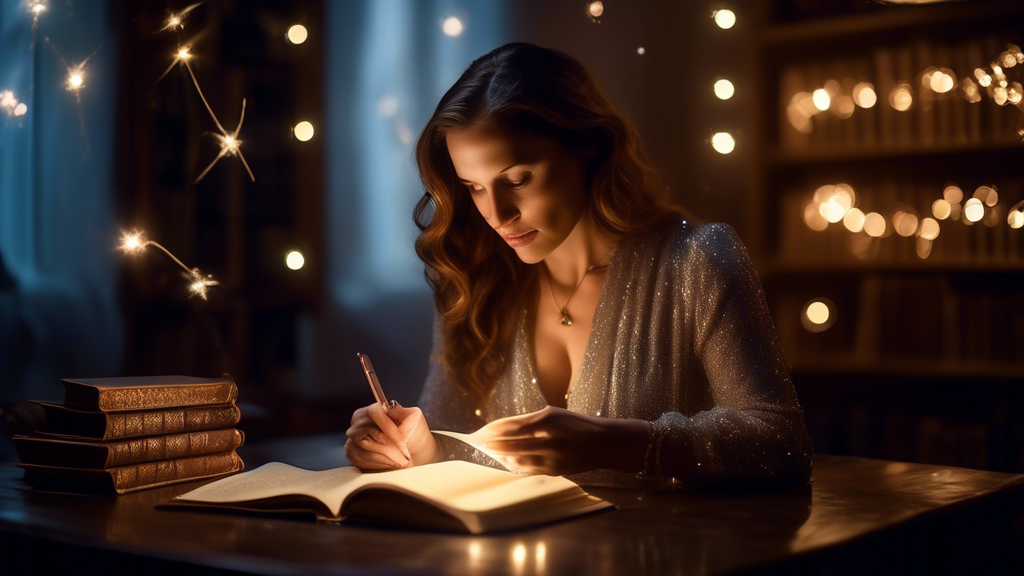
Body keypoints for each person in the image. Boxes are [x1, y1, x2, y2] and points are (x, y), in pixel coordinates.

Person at [345, 42, 812, 489]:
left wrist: (619, 444)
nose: (498, 215)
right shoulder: (473, 281)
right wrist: (417, 448)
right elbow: (454, 438)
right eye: (474, 187)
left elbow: (781, 443)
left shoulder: (696, 262)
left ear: (587, 143)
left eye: (517, 180)